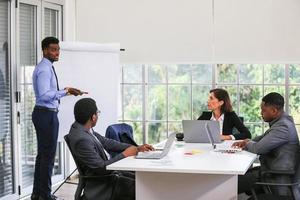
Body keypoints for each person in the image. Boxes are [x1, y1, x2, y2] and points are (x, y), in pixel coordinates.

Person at [31, 37, 86, 200]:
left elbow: (49, 92)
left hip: (45, 114)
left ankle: (38, 194)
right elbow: (44, 95)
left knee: (43, 156)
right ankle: (45, 195)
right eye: (53, 49)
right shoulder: (44, 69)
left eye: (58, 49)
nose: (57, 53)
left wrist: (67, 91)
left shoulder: (47, 67)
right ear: (45, 50)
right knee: (47, 156)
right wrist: (65, 91)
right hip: (45, 114)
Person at [67, 98, 154, 200]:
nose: (98, 115)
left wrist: (136, 148)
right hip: (102, 185)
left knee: (142, 180)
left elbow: (107, 142)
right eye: (97, 113)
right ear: (93, 117)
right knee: (144, 188)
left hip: (110, 176)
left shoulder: (83, 128)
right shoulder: (82, 139)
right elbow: (101, 168)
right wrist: (124, 154)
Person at [233, 92, 299, 196]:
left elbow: (257, 149)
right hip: (270, 171)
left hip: (274, 177)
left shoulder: (283, 127)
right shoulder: (282, 122)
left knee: (230, 183)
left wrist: (247, 143)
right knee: (235, 177)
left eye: (263, 110)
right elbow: (263, 138)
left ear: (274, 111)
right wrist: (246, 141)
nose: (261, 113)